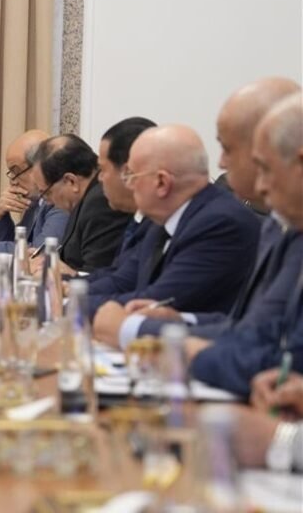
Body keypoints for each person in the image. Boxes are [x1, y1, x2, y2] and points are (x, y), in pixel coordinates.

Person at [94, 79, 301, 348]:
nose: (220, 163)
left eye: (227, 148)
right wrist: (181, 321)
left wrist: (131, 329)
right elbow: (248, 326)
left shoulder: (224, 222)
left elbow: (264, 345)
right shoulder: (277, 225)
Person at [188, 92, 303, 396]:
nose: (261, 186)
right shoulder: (286, 227)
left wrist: (190, 354)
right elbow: (263, 335)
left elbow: (282, 360)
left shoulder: (233, 219)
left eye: (265, 168)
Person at [87, 125, 259, 323]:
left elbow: (157, 302)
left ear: (162, 182)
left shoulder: (220, 224)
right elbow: (125, 281)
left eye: (131, 176)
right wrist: (70, 294)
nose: (129, 185)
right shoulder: (163, 219)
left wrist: (74, 305)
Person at [29, 134, 131, 273]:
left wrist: (60, 272)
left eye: (47, 193)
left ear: (71, 181)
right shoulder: (85, 200)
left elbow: (97, 273)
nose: (47, 202)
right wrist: (45, 260)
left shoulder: (100, 203)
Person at [84, 117, 156, 282]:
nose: (99, 178)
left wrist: (71, 288)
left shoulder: (165, 221)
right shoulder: (142, 218)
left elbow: (129, 284)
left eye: (103, 170)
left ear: (128, 172)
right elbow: (118, 275)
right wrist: (68, 284)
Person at [0, 130, 67, 254]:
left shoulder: (61, 199)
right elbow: (18, 246)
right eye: (11, 173)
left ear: (41, 165)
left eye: (16, 172)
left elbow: (40, 252)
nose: (12, 182)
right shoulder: (35, 201)